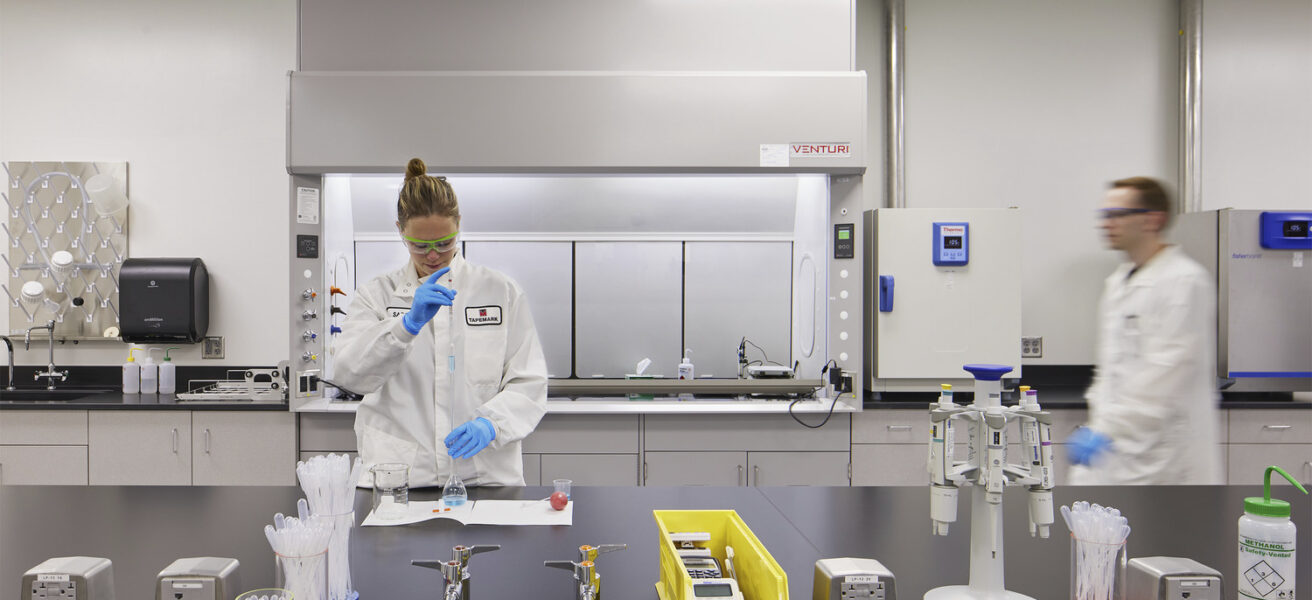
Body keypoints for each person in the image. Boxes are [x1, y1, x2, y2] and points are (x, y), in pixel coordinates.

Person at [333, 158, 548, 487]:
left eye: (444, 243)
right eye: (419, 246)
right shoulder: (376, 296)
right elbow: (349, 375)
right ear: (400, 231)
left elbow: (529, 382)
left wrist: (492, 424)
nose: (433, 255)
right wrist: (404, 327)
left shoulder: (500, 291)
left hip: (484, 477)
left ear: (458, 224)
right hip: (402, 478)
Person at [1067, 176, 1222, 485]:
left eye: (1117, 215)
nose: (1106, 224)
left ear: (1153, 220)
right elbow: (1110, 368)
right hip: (1118, 446)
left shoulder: (1184, 281)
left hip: (1165, 457)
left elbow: (1167, 373)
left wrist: (1107, 429)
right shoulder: (1119, 282)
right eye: (1104, 215)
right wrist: (1099, 425)